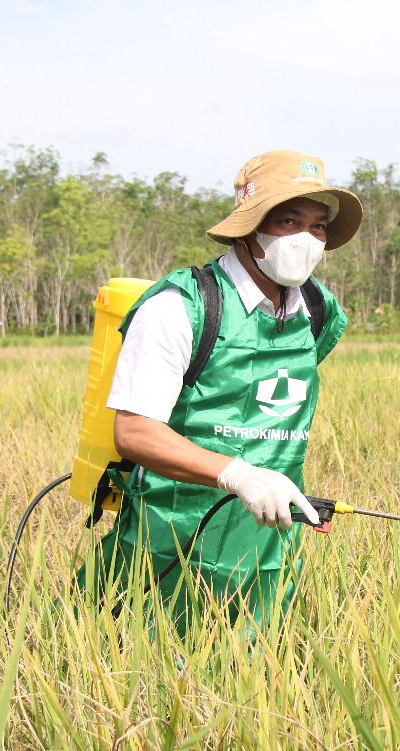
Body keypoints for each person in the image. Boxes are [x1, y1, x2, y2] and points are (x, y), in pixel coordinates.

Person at [78, 150, 360, 634]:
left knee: (252, 693)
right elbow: (135, 433)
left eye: (317, 226)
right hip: (167, 548)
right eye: (289, 220)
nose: (306, 239)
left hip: (268, 555)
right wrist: (239, 474)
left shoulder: (315, 308)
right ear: (249, 226)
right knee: (137, 683)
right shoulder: (180, 307)